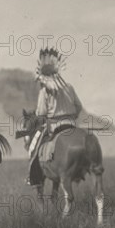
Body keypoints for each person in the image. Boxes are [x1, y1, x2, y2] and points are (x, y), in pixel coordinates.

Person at [27, 48, 83, 186]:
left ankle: (33, 178)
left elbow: (40, 113)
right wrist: (72, 116)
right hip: (71, 124)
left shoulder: (45, 90)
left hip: (54, 126)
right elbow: (79, 107)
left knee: (34, 148)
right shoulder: (68, 87)